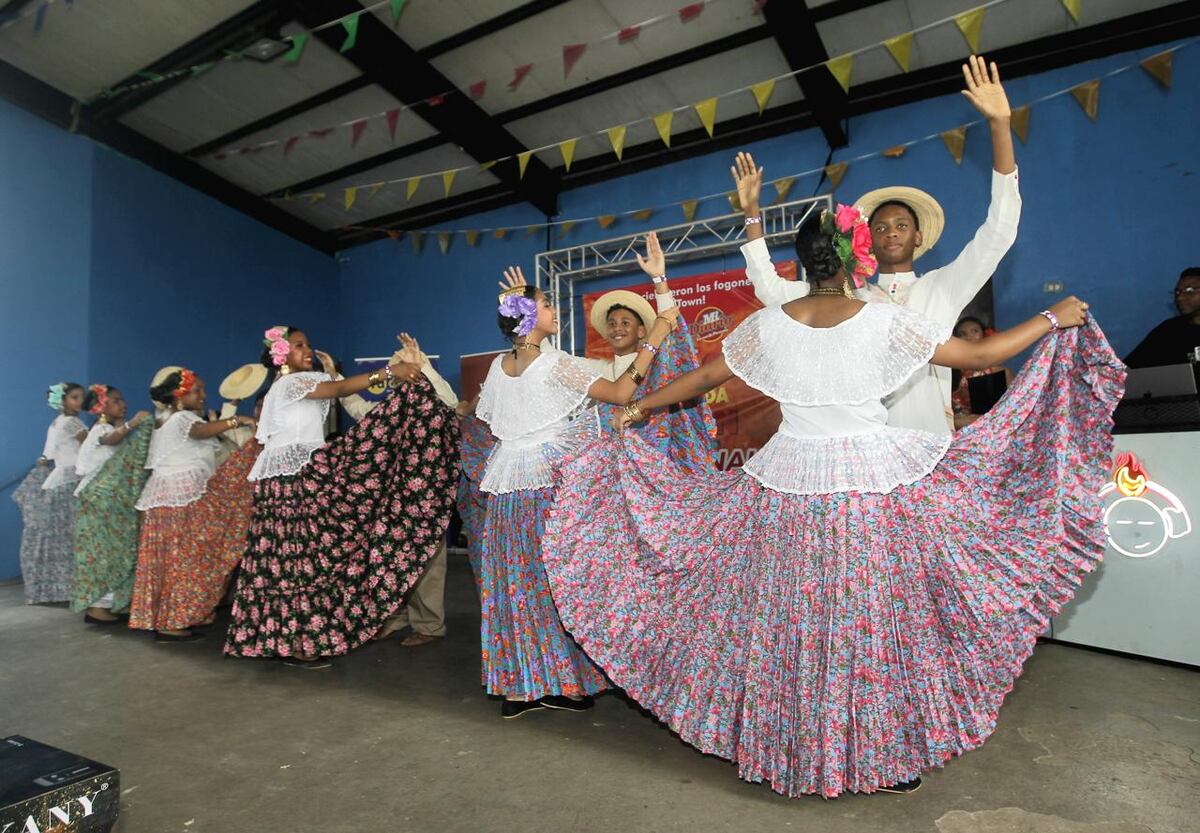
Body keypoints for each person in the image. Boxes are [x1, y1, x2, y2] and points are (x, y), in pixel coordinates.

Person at [539, 206, 1124, 798]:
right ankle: (878, 754)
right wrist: (1051, 317)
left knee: (795, 623)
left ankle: (794, 748)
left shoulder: (770, 324)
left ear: (803, 263)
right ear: (855, 259)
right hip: (870, 494)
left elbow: (703, 378)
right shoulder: (884, 320)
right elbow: (975, 358)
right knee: (869, 625)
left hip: (786, 494)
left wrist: (637, 407)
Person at [735, 55, 1020, 435]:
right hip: (865, 452)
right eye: (881, 227)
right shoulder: (847, 297)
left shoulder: (942, 288)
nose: (892, 233)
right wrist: (752, 215)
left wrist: (1000, 128)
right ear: (865, 240)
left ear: (919, 236)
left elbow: (1000, 231)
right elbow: (770, 289)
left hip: (929, 446)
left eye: (902, 225)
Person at [466, 262, 679, 719]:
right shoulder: (555, 364)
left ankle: (520, 687)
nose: (554, 310)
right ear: (529, 318)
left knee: (516, 585)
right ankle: (560, 682)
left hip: (506, 493)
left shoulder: (499, 367)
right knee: (559, 583)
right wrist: (655, 338)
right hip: (545, 488)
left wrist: (518, 303)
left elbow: (496, 413)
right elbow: (621, 393)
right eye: (546, 304)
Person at [223, 325, 459, 668]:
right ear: (280, 356)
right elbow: (339, 389)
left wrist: (387, 376)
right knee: (300, 563)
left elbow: (341, 392)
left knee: (291, 563)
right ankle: (300, 641)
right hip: (291, 482)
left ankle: (288, 637)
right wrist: (389, 371)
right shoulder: (290, 382)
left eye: (308, 344)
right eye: (299, 345)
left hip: (289, 479)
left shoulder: (291, 385)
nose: (308, 350)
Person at [329, 337, 461, 649]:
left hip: (428, 496)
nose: (402, 370)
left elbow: (452, 403)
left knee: (428, 559)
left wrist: (424, 364)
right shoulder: (390, 408)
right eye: (399, 366)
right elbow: (358, 408)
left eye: (407, 364)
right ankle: (395, 616)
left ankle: (429, 624)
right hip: (394, 496)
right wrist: (335, 376)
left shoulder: (434, 401)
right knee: (390, 557)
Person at [129, 369, 258, 642]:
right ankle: (172, 621)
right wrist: (239, 420)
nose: (203, 395)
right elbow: (200, 431)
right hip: (180, 497)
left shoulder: (167, 418)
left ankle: (171, 617)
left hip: (166, 498)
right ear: (179, 396)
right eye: (197, 391)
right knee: (185, 560)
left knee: (173, 561)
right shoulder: (181, 418)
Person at [586, 232, 717, 472]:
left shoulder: (656, 366)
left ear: (641, 331)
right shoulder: (596, 370)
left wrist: (659, 279)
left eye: (625, 323)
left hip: (654, 467)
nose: (617, 328)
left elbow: (670, 327)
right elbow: (544, 360)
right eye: (612, 324)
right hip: (613, 470)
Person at [71, 385, 152, 622]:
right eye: (115, 401)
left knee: (110, 551)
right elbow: (109, 439)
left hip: (105, 501)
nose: (122, 405)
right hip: (98, 501)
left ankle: (107, 605)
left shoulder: (113, 428)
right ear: (101, 407)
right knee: (103, 551)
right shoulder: (102, 429)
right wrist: (133, 424)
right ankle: (97, 607)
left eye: (122, 400)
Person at [12, 382, 88, 604]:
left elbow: (47, 455)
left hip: (58, 480)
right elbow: (92, 447)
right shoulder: (73, 423)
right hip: (71, 480)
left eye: (81, 396)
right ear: (63, 400)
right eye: (74, 397)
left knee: (59, 536)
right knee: (72, 535)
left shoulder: (56, 423)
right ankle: (71, 586)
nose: (80, 401)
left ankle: (53, 587)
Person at [1124, 267, 1200, 367]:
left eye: (1189, 291)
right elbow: (1129, 368)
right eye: (1177, 292)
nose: (1180, 298)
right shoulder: (1169, 330)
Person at [949, 317, 1014, 429]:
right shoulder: (950, 373)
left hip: (994, 430)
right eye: (962, 334)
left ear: (985, 334)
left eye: (974, 331)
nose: (969, 337)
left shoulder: (1000, 372)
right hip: (957, 432)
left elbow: (1015, 408)